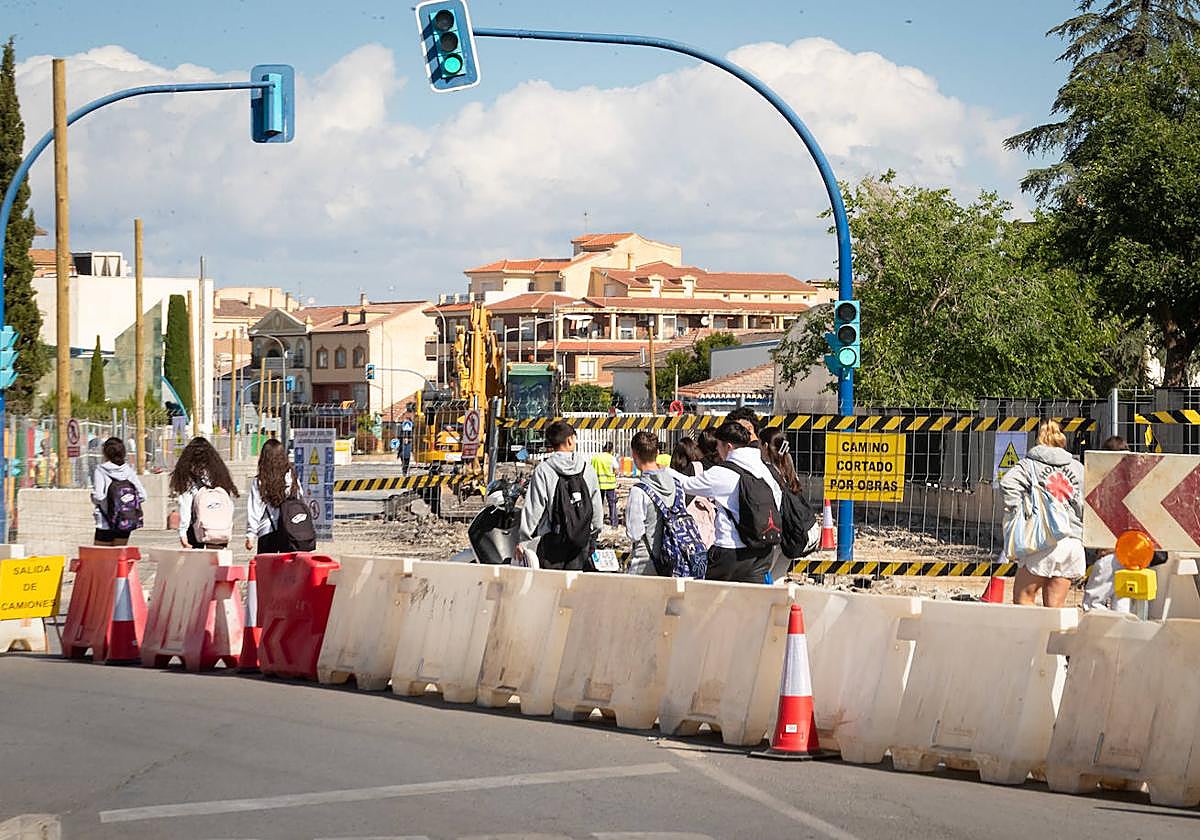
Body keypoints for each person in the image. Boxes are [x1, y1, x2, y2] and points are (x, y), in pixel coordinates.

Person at [676, 421, 782, 583]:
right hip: (763, 550)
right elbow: (777, 499)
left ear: (729, 447)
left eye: (718, 446)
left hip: (730, 552)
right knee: (749, 603)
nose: (717, 451)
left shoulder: (722, 472)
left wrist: (662, 471)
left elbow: (687, 485)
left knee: (710, 602)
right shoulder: (765, 469)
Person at [1000, 420, 1085, 607]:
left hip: (1043, 540)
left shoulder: (1029, 465)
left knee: (1024, 598)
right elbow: (1086, 502)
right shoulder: (1078, 468)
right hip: (1072, 541)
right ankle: (1051, 637)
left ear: (1039, 439)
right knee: (1054, 608)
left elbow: (1007, 484)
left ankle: (1028, 637)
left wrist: (1019, 510)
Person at [519, 420, 603, 570]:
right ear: (570, 440)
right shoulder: (587, 469)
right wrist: (593, 535)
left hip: (552, 543)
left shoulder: (544, 470)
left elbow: (533, 509)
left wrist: (524, 540)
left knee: (551, 589)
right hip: (580, 541)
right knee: (574, 589)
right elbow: (596, 506)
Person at [760, 426, 820, 580]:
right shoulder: (788, 468)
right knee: (778, 578)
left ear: (765, 446)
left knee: (762, 579)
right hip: (792, 533)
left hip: (778, 534)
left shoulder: (767, 472)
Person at [1082, 435, 1133, 612]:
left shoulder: (1099, 484)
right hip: (1133, 554)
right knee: (1124, 604)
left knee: (1093, 604)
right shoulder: (1137, 482)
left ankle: (1100, 638)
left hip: (1108, 553)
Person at [170, 437, 240, 549]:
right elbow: (228, 503)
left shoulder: (189, 476)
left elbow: (186, 505)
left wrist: (183, 532)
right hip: (219, 528)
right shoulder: (219, 473)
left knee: (198, 564)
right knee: (217, 563)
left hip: (197, 528)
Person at [625, 432, 678, 575]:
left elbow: (634, 533)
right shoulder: (676, 484)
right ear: (658, 453)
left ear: (634, 455)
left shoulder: (639, 491)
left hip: (645, 563)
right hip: (673, 559)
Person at [245, 438, 304, 554]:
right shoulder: (291, 476)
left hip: (267, 531)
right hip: (289, 531)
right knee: (286, 570)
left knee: (266, 570)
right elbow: (299, 498)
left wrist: (250, 535)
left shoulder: (261, 480)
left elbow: (255, 508)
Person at [91, 437, 147, 546]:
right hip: (125, 521)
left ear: (105, 452)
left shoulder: (100, 470)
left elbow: (99, 496)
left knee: (101, 558)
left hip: (105, 522)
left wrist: (100, 501)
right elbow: (143, 495)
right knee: (118, 557)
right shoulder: (128, 470)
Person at [591, 441, 620, 526]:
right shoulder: (611, 458)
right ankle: (614, 523)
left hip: (598, 484)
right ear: (611, 450)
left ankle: (597, 522)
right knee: (612, 504)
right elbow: (616, 471)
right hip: (610, 485)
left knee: (598, 504)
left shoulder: (595, 458)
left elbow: (591, 469)